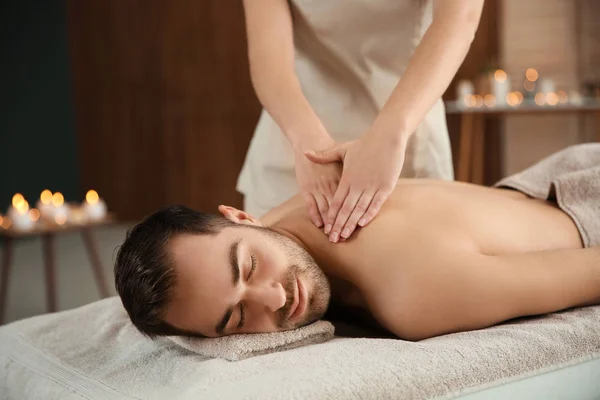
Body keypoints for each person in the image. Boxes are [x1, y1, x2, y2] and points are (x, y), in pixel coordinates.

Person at [116, 145, 600, 341]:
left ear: (240, 216)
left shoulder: (415, 292)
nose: (277, 297)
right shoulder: (284, 215)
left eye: (248, 267)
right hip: (539, 187)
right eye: (239, 318)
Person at [237, 0, 484, 243]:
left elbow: (458, 20)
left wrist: (390, 134)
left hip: (402, 142)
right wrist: (310, 147)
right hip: (294, 142)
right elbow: (267, 53)